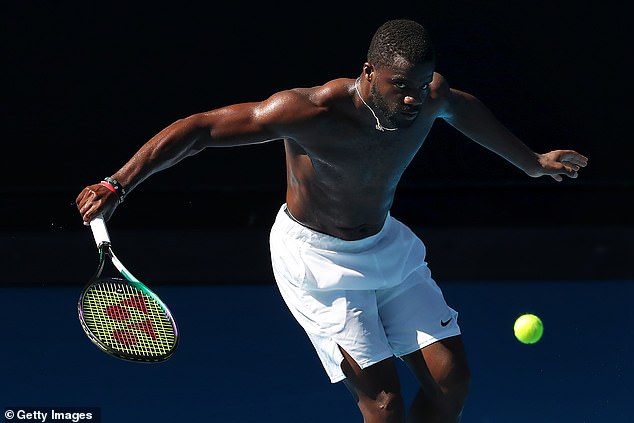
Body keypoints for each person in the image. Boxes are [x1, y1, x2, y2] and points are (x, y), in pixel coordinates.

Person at [76, 18, 588, 423]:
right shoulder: (310, 112)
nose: (411, 96)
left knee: (452, 382)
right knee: (384, 405)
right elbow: (201, 129)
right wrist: (118, 183)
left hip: (387, 249)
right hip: (316, 262)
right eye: (398, 84)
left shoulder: (430, 97)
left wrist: (532, 162)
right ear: (368, 72)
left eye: (420, 83)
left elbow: (462, 109)